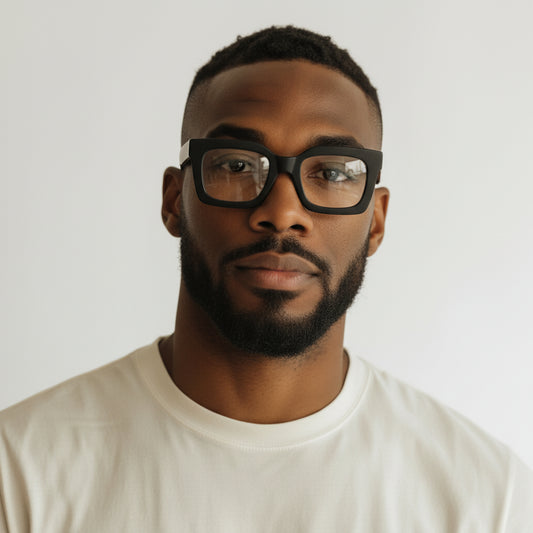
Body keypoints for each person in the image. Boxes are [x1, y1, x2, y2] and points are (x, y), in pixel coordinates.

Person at [1, 26, 532, 532]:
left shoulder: (488, 500)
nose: (282, 213)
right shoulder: (19, 471)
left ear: (375, 221)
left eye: (332, 173)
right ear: (174, 201)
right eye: (236, 165)